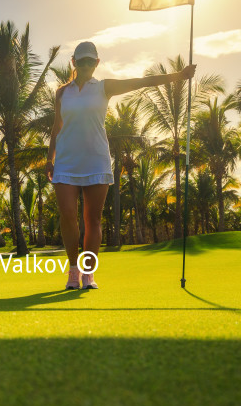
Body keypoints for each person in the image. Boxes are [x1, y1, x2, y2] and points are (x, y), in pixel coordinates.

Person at [46, 40, 195, 289]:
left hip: (96, 159)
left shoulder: (104, 87)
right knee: (68, 216)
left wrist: (178, 76)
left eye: (89, 61)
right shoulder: (62, 92)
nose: (85, 65)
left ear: (96, 63)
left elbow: (142, 82)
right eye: (80, 60)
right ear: (74, 62)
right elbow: (56, 127)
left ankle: (88, 274)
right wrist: (49, 159)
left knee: (92, 220)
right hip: (65, 161)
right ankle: (73, 271)